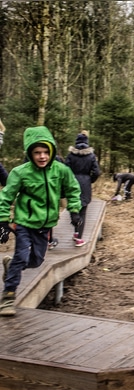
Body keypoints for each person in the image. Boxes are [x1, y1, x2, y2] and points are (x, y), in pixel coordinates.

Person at [0, 126, 82, 316]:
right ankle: (8, 297)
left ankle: (11, 264)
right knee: (21, 256)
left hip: (45, 225)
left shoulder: (61, 170)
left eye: (46, 152)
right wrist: (3, 221)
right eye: (37, 152)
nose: (42, 156)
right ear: (30, 153)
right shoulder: (20, 172)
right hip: (24, 223)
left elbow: (73, 189)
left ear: (52, 151)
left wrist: (74, 210)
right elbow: (5, 196)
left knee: (37, 261)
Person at [65, 130, 101, 247]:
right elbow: (96, 172)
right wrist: (90, 180)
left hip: (72, 182)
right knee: (83, 211)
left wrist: (68, 180)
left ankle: (76, 231)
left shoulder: (71, 155)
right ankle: (79, 237)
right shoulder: (91, 156)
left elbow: (66, 169)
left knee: (73, 207)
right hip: (85, 183)